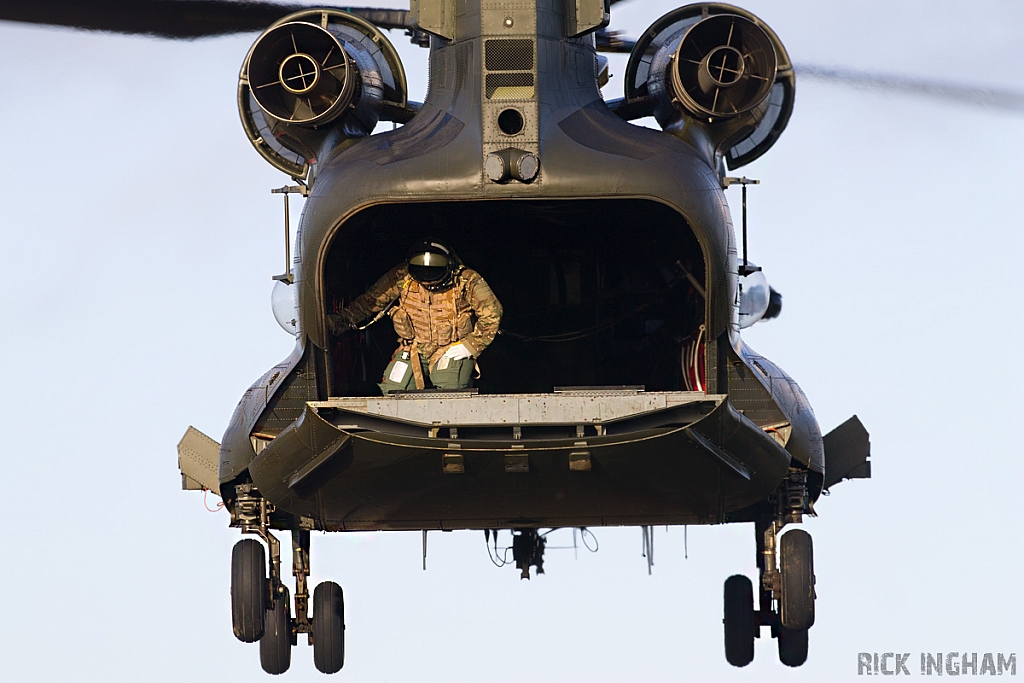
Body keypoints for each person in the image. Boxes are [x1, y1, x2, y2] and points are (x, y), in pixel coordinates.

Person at [328, 240, 503, 394]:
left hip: (450, 349)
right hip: (413, 350)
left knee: (452, 392)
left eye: (433, 271)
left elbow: (492, 314)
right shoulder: (403, 276)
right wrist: (336, 323)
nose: (427, 278)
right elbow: (370, 302)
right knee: (393, 392)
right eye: (422, 272)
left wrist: (470, 346)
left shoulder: (466, 280)